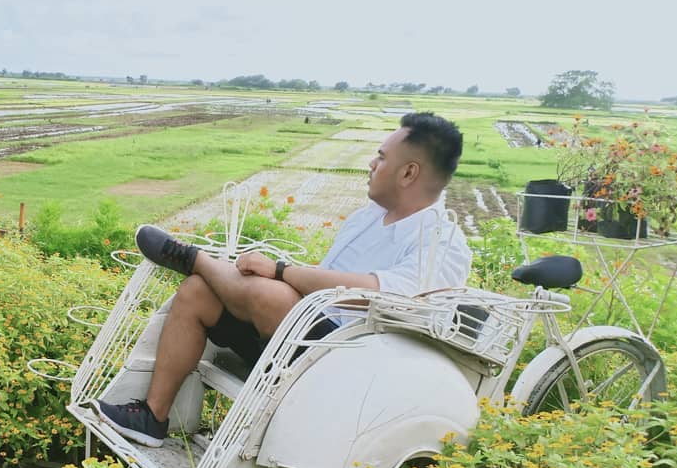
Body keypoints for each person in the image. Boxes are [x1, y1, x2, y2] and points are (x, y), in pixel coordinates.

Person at [96, 112, 472, 447]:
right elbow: (324, 277)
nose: (372, 164)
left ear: (409, 173)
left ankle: (195, 259)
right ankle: (152, 416)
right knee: (199, 292)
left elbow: (379, 295)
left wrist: (279, 271)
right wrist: (281, 276)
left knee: (273, 295)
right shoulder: (368, 216)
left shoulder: (442, 241)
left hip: (353, 360)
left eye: (382, 157)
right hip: (298, 338)